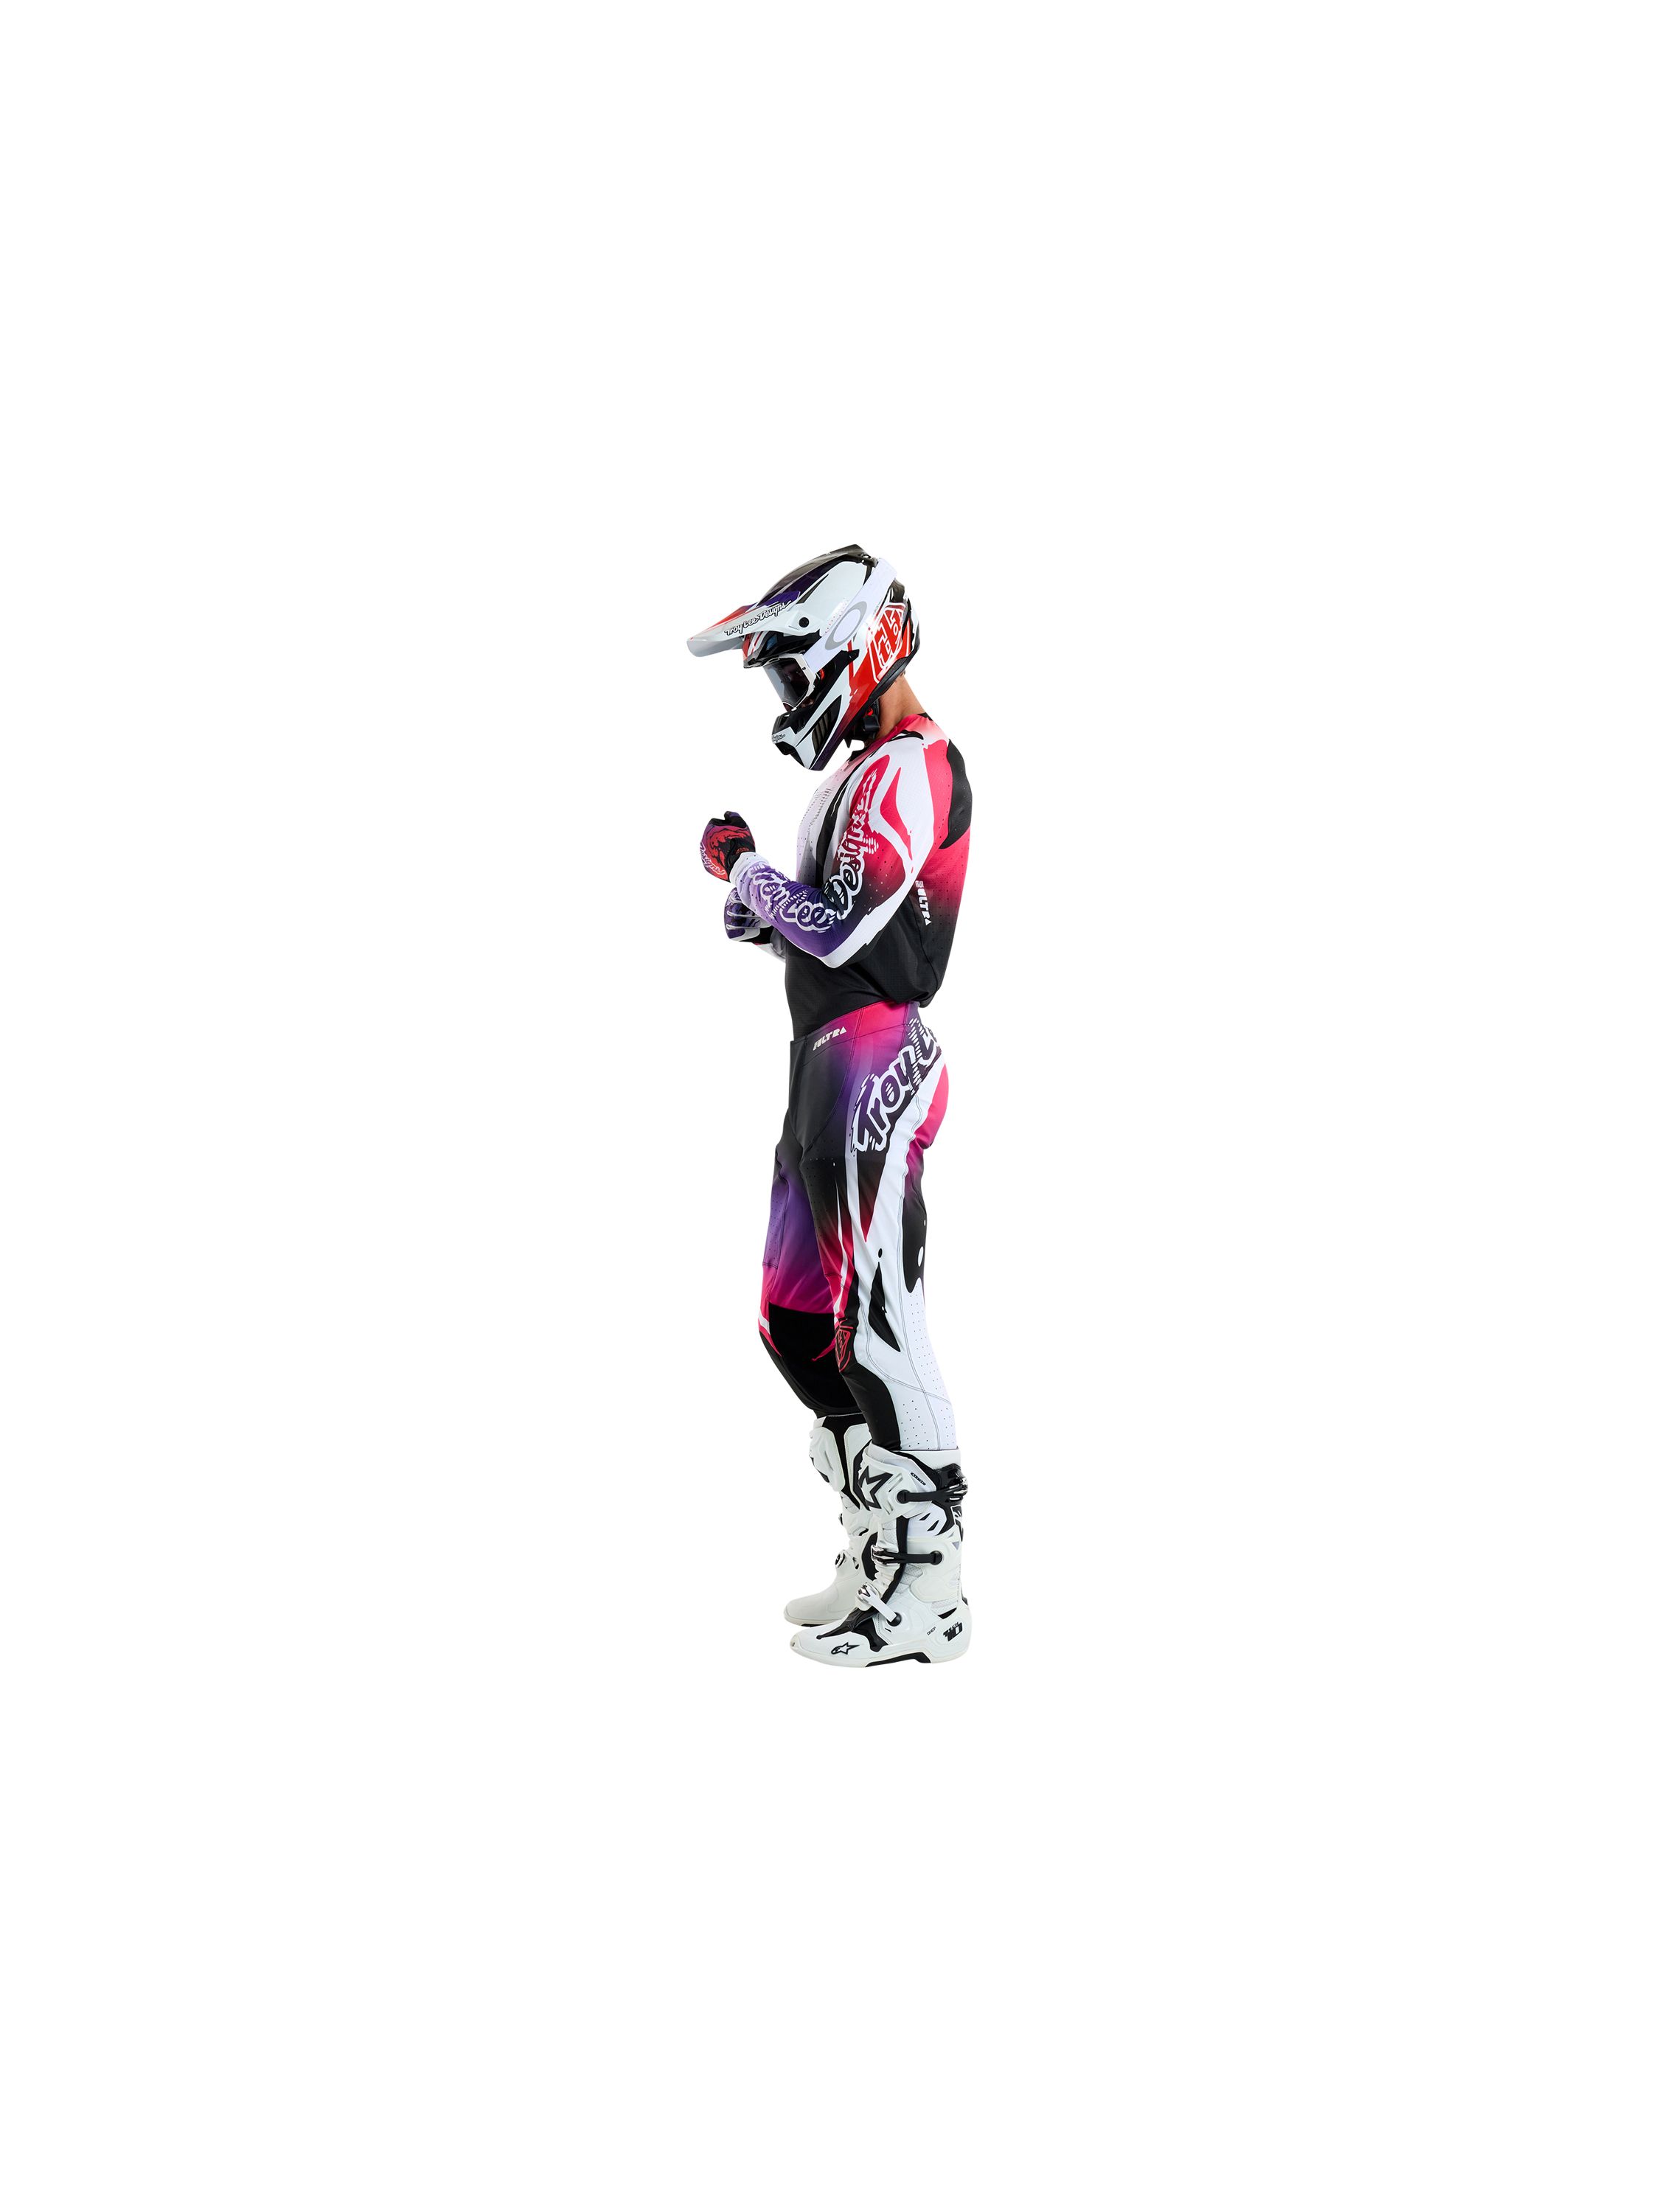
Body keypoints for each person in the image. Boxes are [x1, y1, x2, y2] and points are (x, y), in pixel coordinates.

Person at [689, 546, 974, 1667]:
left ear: (854, 646)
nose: (788, 697)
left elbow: (842, 927)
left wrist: (746, 873)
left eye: (791, 670)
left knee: (877, 1319)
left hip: (873, 1058)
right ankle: (878, 1550)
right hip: (823, 1058)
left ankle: (928, 1593)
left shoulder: (913, 766)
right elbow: (820, 926)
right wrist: (763, 904)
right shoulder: (868, 772)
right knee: (799, 1324)